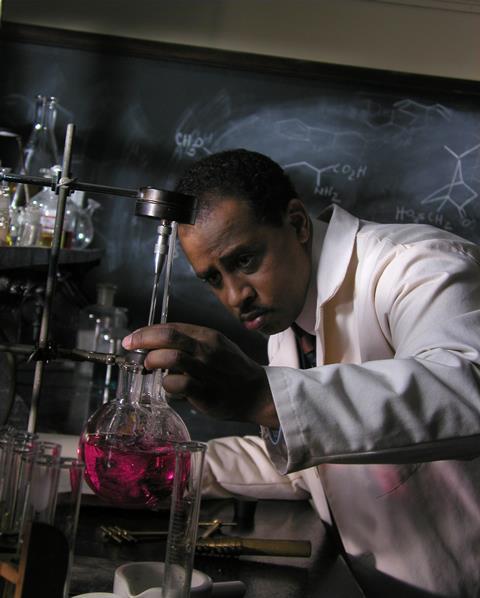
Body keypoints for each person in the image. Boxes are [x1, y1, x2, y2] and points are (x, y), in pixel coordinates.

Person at [122, 149, 480, 597]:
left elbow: (466, 391)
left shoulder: (414, 266)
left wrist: (263, 397)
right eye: (213, 279)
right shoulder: (287, 324)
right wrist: (171, 465)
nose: (235, 296)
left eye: (245, 260)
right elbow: (313, 462)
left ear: (296, 223)